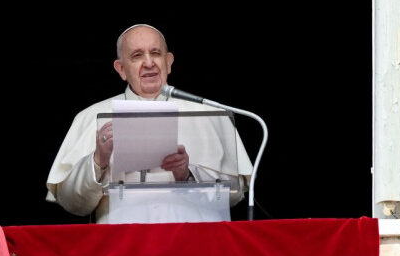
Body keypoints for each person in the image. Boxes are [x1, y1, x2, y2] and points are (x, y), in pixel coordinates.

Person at [46, 24, 252, 223]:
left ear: (168, 62)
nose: (149, 62)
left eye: (155, 53)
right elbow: (72, 203)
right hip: (122, 249)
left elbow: (234, 195)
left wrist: (187, 174)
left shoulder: (210, 114)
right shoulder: (91, 117)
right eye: (137, 56)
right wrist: (98, 160)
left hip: (194, 247)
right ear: (121, 69)